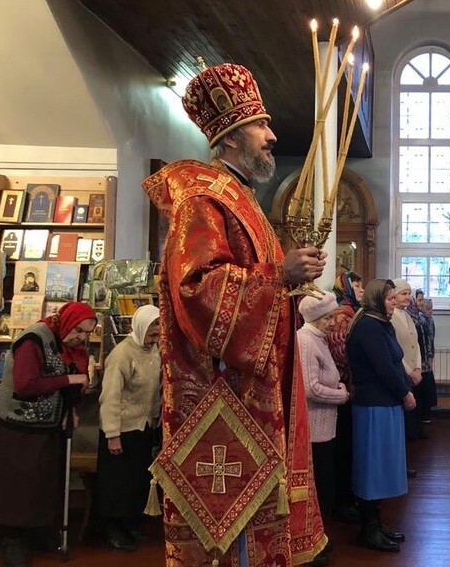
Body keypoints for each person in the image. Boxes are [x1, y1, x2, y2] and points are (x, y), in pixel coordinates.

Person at [142, 62, 328, 566]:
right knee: (228, 536)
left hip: (255, 397)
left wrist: (289, 281)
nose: (271, 136)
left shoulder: (241, 199)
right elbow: (195, 289)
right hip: (226, 400)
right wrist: (277, 277)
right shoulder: (203, 200)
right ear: (229, 136)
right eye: (260, 126)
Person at [0, 302, 95, 567]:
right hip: (19, 426)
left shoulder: (66, 344)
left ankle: (37, 533)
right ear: (67, 321)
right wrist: (69, 381)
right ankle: (12, 541)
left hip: (47, 426)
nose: (81, 337)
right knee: (17, 489)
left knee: (43, 486)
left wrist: (70, 409)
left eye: (87, 333)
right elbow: (26, 385)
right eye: (79, 330)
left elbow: (68, 374)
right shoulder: (34, 339)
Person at [347, 279, 415, 553]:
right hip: (373, 405)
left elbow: (394, 361)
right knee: (372, 467)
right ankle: (368, 528)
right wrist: (404, 393)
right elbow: (384, 368)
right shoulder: (368, 327)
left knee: (383, 463)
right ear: (376, 299)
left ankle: (377, 522)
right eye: (388, 298)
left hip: (384, 403)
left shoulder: (379, 324)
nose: (392, 303)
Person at [95, 304, 161, 552]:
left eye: (158, 333)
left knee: (136, 480)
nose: (154, 339)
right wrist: (112, 435)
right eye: (151, 333)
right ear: (139, 327)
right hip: (121, 430)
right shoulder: (122, 355)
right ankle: (112, 528)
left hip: (143, 427)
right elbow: (110, 396)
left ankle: (130, 524)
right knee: (117, 482)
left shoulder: (154, 351)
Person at [297, 292, 349, 528]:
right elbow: (311, 389)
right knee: (319, 483)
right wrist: (341, 394)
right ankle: (314, 536)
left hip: (325, 426)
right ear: (316, 317)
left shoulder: (318, 338)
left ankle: (320, 534)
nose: (332, 323)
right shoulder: (306, 340)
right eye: (328, 318)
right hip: (314, 429)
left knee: (326, 482)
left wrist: (337, 384)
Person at [325, 270, 364, 524]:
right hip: (341, 386)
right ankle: (340, 501)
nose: (361, 290)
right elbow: (342, 353)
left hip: (348, 385)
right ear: (347, 287)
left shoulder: (352, 311)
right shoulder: (342, 314)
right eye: (358, 286)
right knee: (341, 448)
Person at [390, 279, 424, 448]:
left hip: (412, 372)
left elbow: (415, 343)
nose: (408, 297)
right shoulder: (390, 318)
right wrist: (409, 371)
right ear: (393, 296)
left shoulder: (408, 316)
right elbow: (394, 348)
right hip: (401, 372)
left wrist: (418, 367)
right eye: (404, 293)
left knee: (410, 415)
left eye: (409, 294)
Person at [411, 291, 437, 424]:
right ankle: (420, 415)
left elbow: (430, 340)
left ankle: (425, 414)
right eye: (419, 300)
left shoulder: (426, 319)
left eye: (422, 300)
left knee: (427, 387)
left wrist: (430, 356)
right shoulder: (414, 318)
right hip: (417, 360)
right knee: (420, 388)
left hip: (426, 358)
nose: (421, 303)